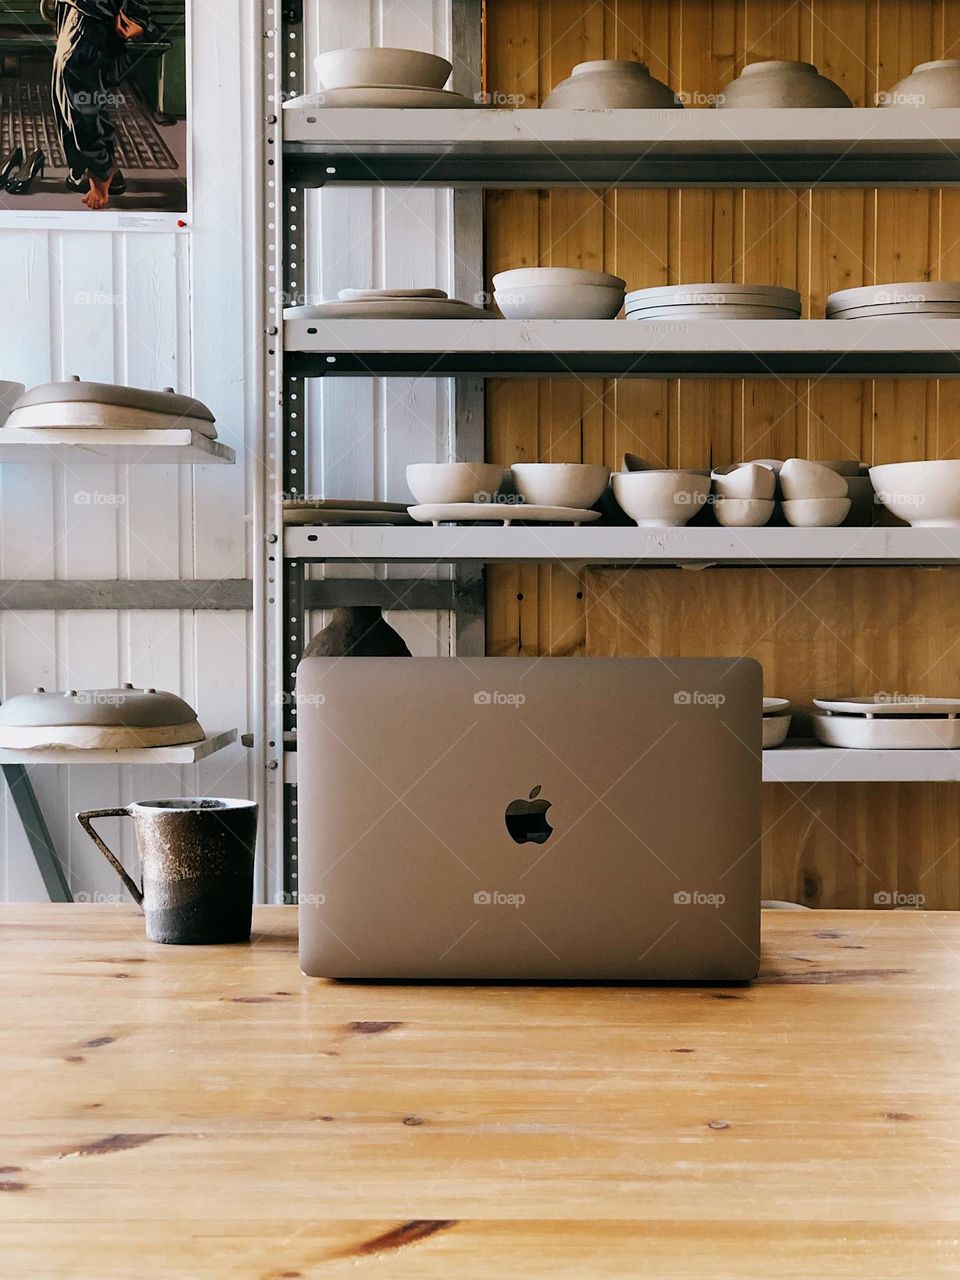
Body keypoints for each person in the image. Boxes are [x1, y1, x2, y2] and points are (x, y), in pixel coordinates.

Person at [51, 0, 154, 210]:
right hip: (85, 21)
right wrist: (139, 18)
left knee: (81, 107)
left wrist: (100, 176)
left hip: (90, 23)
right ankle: (90, 169)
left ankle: (100, 173)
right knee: (76, 100)